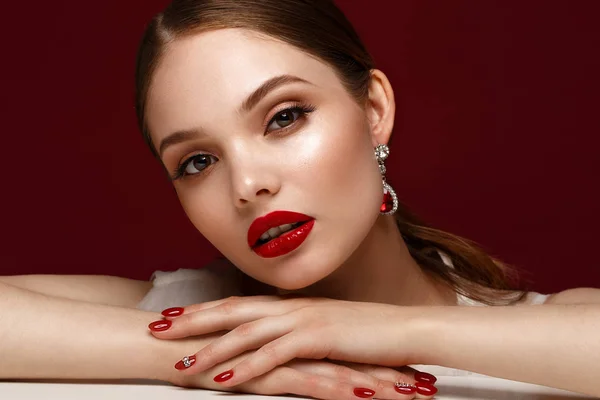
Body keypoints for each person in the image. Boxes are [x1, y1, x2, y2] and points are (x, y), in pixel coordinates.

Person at [1, 0, 599, 399]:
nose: (247, 185)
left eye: (284, 117)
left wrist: (387, 330)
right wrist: (221, 355)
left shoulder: (544, 333)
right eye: (198, 162)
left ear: (374, 110)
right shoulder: (194, 318)